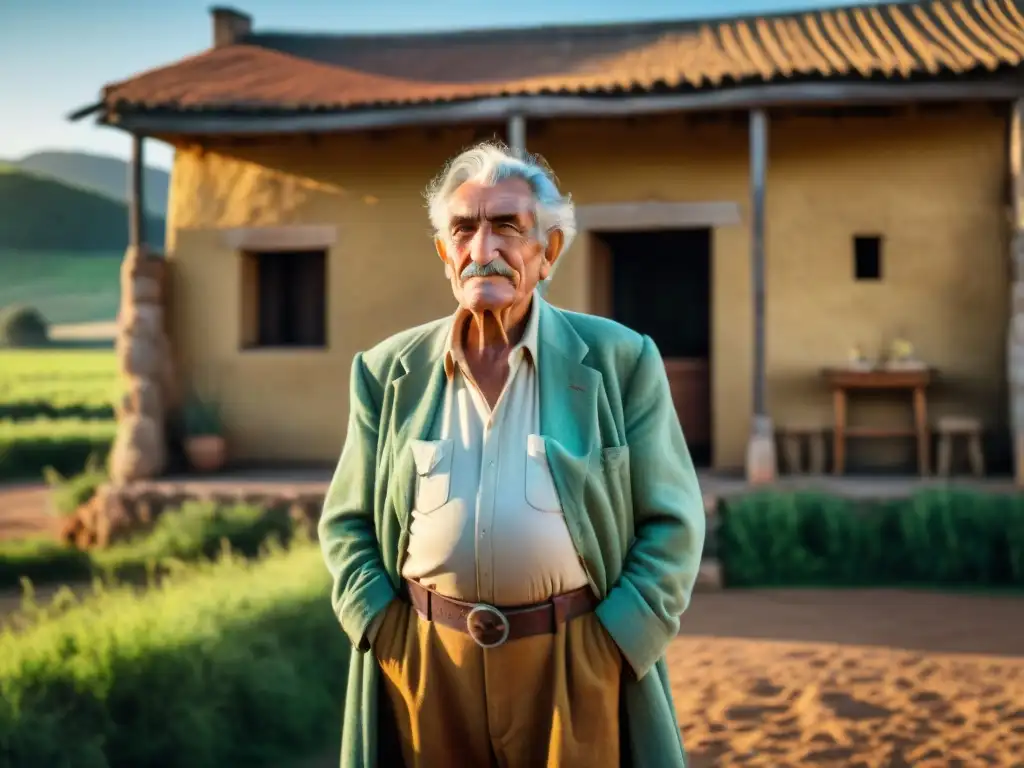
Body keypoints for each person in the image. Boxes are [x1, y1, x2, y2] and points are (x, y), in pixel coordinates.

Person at [318, 141, 705, 768]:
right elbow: (346, 521)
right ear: (445, 252)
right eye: (464, 230)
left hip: (573, 661)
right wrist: (383, 631)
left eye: (507, 227)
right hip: (425, 659)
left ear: (547, 252)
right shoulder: (388, 372)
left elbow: (673, 521)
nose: (484, 250)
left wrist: (612, 644)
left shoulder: (619, 360)